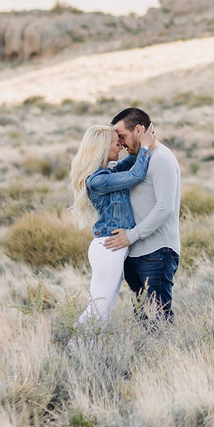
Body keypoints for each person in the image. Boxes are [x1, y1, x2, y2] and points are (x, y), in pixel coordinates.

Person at [68, 123, 158, 326]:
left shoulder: (108, 173)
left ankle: (87, 350)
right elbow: (136, 175)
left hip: (112, 247)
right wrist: (143, 148)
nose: (120, 146)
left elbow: (130, 164)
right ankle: (76, 346)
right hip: (109, 246)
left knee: (104, 308)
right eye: (116, 144)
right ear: (102, 148)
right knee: (100, 307)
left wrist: (138, 141)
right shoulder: (98, 180)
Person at [102, 107, 182, 322]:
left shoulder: (161, 159)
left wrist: (131, 236)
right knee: (144, 319)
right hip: (136, 251)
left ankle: (171, 356)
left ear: (139, 130)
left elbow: (165, 207)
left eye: (122, 136)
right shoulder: (141, 158)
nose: (120, 143)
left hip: (157, 252)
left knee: (158, 319)